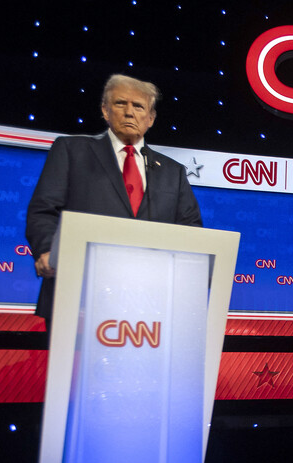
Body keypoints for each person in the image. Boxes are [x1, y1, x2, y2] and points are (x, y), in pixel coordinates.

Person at [25, 73, 203, 321]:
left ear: (150, 119)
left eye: (138, 106)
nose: (129, 112)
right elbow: (44, 210)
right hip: (77, 298)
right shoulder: (71, 150)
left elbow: (190, 229)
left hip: (149, 304)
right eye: (121, 103)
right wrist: (46, 251)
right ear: (105, 110)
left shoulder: (173, 172)